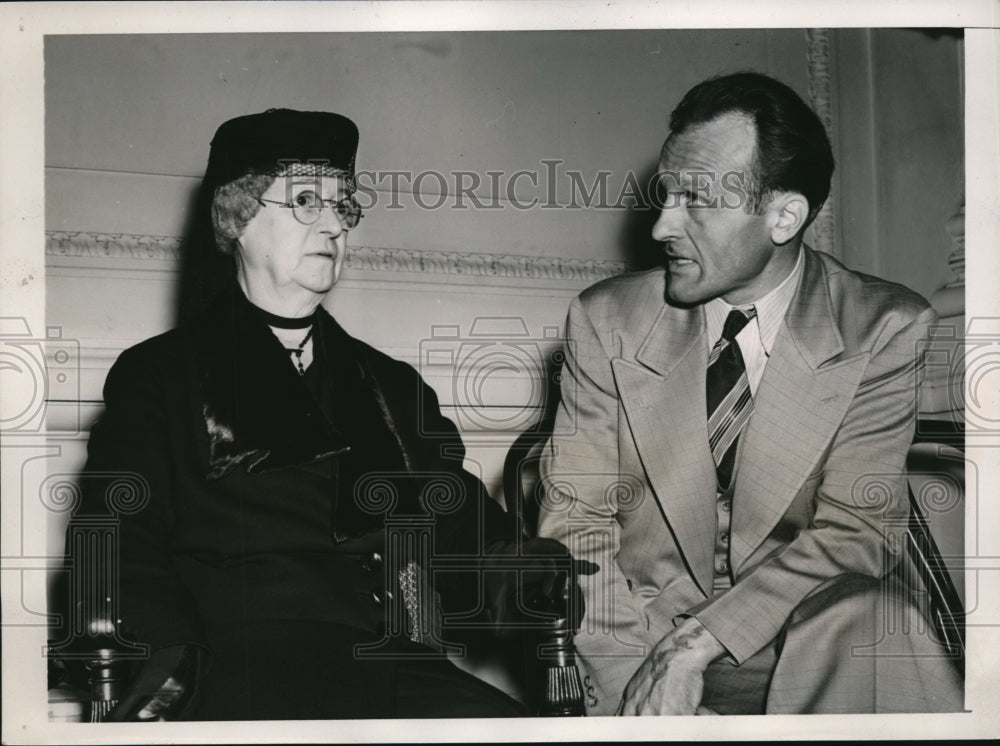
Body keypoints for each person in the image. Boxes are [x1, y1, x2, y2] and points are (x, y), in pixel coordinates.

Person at [62, 108, 578, 720]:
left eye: (343, 204)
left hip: (396, 663)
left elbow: (459, 524)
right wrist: (171, 663)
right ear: (239, 217)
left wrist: (524, 568)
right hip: (239, 667)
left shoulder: (390, 384)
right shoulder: (160, 373)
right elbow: (119, 540)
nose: (334, 224)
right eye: (306, 200)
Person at [537, 72, 964, 715]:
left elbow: (857, 532)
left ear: (784, 216)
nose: (661, 228)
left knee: (873, 619)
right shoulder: (607, 320)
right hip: (637, 633)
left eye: (695, 200)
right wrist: (648, 680)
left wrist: (699, 645)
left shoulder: (883, 325)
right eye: (665, 194)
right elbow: (576, 525)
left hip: (813, 630)